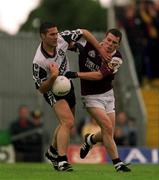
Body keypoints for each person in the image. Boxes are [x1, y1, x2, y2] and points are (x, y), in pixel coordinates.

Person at [32, 21, 109, 171]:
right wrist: (53, 77)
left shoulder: (62, 38)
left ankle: (52, 152)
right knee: (67, 121)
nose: (56, 36)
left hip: (66, 84)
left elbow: (84, 32)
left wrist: (100, 49)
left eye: (56, 32)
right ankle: (62, 160)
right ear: (42, 36)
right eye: (52, 34)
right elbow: (41, 88)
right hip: (51, 89)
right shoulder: (39, 61)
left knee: (67, 123)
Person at [65, 28, 131, 172]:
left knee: (109, 132)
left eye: (114, 43)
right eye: (108, 40)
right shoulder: (89, 46)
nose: (110, 44)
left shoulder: (116, 58)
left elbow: (99, 76)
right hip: (90, 96)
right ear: (104, 38)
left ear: (117, 45)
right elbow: (69, 45)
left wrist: (75, 74)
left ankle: (90, 140)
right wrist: (69, 45)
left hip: (107, 95)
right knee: (107, 126)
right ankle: (118, 163)